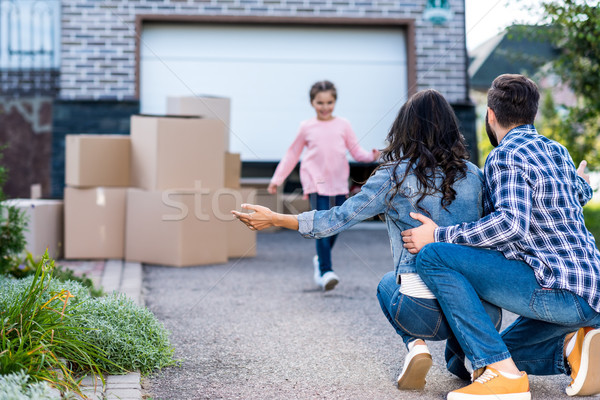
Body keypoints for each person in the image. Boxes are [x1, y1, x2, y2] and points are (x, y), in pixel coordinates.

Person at [233, 89, 501, 390]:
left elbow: (339, 217)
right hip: (479, 313)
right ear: (452, 128)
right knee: (465, 306)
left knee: (387, 283)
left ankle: (416, 346)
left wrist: (277, 218)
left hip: (422, 313)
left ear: (406, 128)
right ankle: (470, 358)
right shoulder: (475, 175)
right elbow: (493, 235)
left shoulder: (394, 175)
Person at [402, 74, 600, 400]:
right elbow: (572, 194)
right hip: (589, 291)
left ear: (490, 115)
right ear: (532, 114)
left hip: (559, 292)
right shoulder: (557, 151)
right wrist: (582, 183)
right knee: (485, 356)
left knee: (433, 255)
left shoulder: (505, 155)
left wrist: (438, 233)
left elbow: (511, 225)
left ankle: (504, 378)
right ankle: (572, 348)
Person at [267, 80, 379, 291]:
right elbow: (292, 154)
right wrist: (277, 179)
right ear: (312, 103)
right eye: (320, 103)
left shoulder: (343, 125)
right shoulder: (306, 127)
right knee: (321, 223)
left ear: (335, 101)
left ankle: (320, 260)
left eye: (329, 102)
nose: (325, 107)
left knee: (336, 224)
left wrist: (372, 155)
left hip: (338, 183)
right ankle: (326, 271)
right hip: (315, 182)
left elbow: (356, 152)